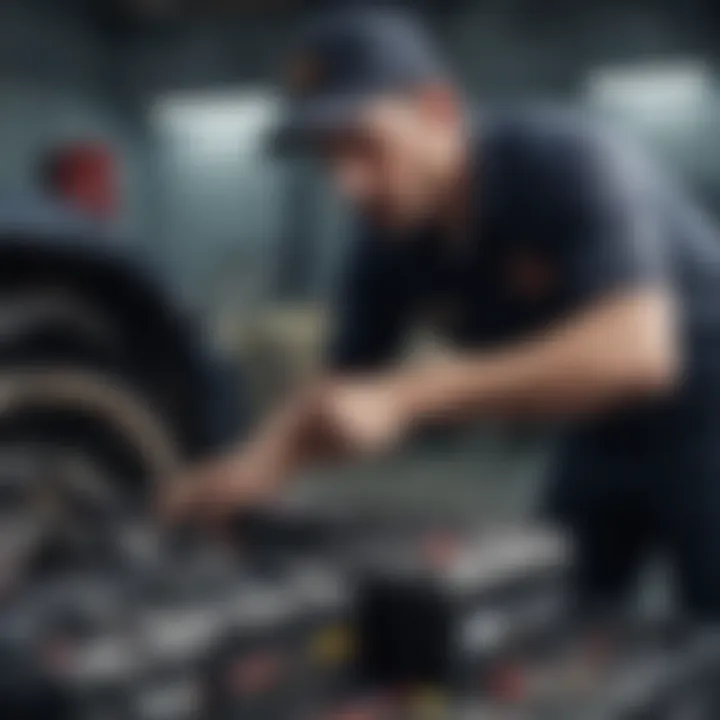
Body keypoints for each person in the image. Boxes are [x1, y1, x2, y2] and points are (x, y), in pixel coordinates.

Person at [165, 6, 720, 621]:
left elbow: (639, 352)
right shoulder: (389, 244)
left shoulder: (567, 161)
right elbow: (341, 388)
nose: (350, 187)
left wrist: (410, 395)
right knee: (551, 616)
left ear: (437, 109)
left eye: (365, 146)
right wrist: (253, 466)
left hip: (706, 406)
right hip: (601, 431)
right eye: (330, 159)